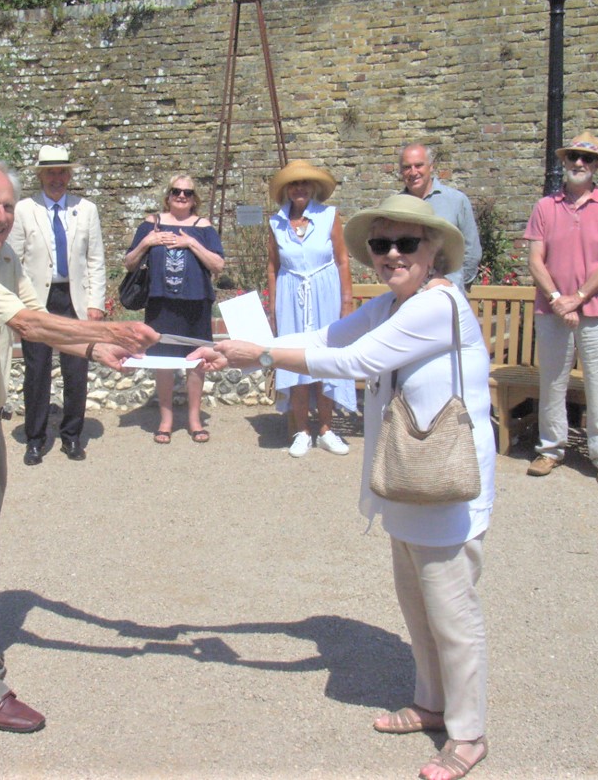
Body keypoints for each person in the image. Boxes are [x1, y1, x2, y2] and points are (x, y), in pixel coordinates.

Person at [190, 194, 495, 780]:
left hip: (444, 481)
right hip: (408, 477)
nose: (392, 255)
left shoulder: (437, 305)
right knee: (419, 605)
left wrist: (261, 352)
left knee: (452, 612)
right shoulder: (389, 305)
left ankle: (469, 732)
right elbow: (325, 336)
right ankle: (433, 704)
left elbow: (355, 361)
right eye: (381, 245)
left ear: (433, 250)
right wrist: (241, 351)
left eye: (407, 243)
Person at [0, 150, 157, 733]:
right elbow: (29, 327)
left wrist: (96, 349)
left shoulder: (3, 256)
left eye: (4, 205)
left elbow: (34, 311)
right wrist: (109, 329)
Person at [523, 131, 598, 487]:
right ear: (565, 162)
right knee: (552, 381)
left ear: (597, 165)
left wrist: (577, 297)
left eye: (587, 159)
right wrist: (558, 299)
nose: (579, 164)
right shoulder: (545, 207)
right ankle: (551, 449)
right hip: (553, 310)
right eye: (574, 157)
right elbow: (535, 260)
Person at [8, 145, 107, 465]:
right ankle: (35, 439)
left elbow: (96, 260)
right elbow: (14, 261)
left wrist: (96, 305)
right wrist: (19, 307)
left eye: (62, 171)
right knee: (36, 371)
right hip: (36, 300)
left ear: (70, 175)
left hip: (74, 300)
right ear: (40, 175)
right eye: (50, 172)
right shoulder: (24, 210)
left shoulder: (86, 209)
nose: (57, 178)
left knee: (76, 370)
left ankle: (72, 436)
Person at [122, 174, 224, 444]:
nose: (181, 196)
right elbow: (129, 262)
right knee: (163, 363)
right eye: (176, 191)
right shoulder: (151, 224)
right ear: (167, 195)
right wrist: (148, 242)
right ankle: (165, 419)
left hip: (196, 302)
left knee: (197, 362)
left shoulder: (203, 226)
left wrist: (191, 243)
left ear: (194, 199)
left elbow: (218, 265)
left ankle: (193, 419)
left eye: (187, 193)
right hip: (160, 302)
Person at [266, 160, 355, 458]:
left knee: (326, 358)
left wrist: (346, 301)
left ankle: (327, 429)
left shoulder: (329, 216)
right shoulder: (276, 222)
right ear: (286, 190)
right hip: (291, 294)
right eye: (293, 184)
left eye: (304, 183)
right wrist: (274, 307)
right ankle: (302, 430)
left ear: (313, 187)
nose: (299, 188)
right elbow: (272, 266)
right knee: (295, 359)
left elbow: (343, 259)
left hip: (325, 292)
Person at [397, 142, 482, 292]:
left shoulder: (455, 201)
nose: (413, 172)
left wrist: (456, 283)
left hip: (448, 293)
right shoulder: (395, 206)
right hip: (408, 296)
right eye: (407, 167)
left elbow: (471, 250)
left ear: (431, 166)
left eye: (418, 165)